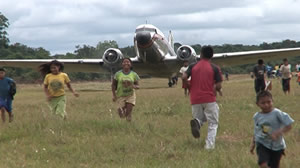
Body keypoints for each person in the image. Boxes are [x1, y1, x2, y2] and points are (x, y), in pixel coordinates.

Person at [182, 46, 223, 149]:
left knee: (200, 118)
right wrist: (216, 89)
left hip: (195, 98)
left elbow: (183, 76)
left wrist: (187, 85)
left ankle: (198, 122)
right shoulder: (215, 68)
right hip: (209, 98)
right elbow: (218, 86)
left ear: (201, 54)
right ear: (212, 56)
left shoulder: (193, 66)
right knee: (213, 123)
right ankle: (209, 146)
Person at [250, 91, 294, 168]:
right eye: (263, 103)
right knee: (263, 164)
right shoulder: (257, 116)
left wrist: (277, 133)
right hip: (262, 143)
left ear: (272, 101)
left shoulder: (277, 113)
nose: (266, 105)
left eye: (269, 102)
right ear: (257, 104)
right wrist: (253, 143)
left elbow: (289, 125)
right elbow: (256, 131)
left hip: (277, 145)